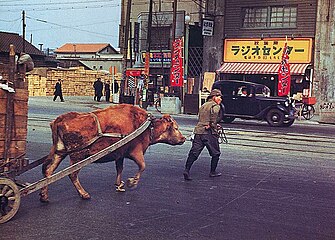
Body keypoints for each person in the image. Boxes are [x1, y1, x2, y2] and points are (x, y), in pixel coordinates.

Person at [183, 89, 224, 181]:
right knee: (216, 153)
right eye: (219, 97)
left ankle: (187, 170)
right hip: (208, 133)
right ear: (214, 97)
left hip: (198, 131)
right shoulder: (216, 106)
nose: (220, 99)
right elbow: (212, 121)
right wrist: (215, 127)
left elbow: (202, 119)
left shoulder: (203, 105)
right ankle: (212, 172)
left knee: (194, 152)